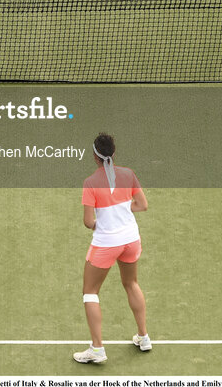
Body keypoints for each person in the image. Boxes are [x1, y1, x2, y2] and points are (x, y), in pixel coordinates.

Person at [74, 133, 151, 364]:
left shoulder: (90, 183)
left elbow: (89, 222)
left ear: (95, 157)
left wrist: (102, 222)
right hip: (130, 240)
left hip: (107, 243)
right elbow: (142, 205)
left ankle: (97, 349)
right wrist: (122, 211)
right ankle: (144, 337)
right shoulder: (128, 174)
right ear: (113, 154)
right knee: (131, 283)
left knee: (90, 292)